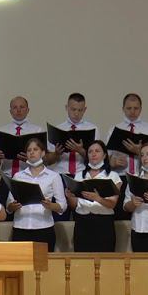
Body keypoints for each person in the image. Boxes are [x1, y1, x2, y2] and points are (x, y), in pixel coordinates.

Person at [106, 93, 148, 220]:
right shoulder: (114, 129)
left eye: (136, 108)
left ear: (141, 109)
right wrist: (112, 162)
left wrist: (139, 151)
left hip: (143, 177)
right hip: (120, 177)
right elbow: (105, 158)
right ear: (123, 109)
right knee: (120, 217)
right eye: (129, 108)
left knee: (143, 214)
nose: (132, 111)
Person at [46, 93, 100, 221]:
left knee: (82, 214)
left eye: (80, 110)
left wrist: (80, 150)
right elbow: (47, 161)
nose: (76, 113)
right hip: (60, 176)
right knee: (59, 215)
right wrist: (56, 153)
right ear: (66, 108)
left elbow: (98, 160)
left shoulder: (92, 129)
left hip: (82, 176)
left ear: (85, 109)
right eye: (73, 109)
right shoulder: (57, 129)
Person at [0, 96, 45, 221]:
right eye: (15, 107)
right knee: (3, 217)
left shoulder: (38, 131)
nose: (18, 110)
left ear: (28, 110)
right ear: (10, 111)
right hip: (7, 179)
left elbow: (44, 160)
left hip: (29, 179)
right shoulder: (1, 131)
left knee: (28, 216)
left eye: (22, 107)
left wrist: (30, 160)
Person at [6, 138, 65, 252]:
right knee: (21, 262)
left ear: (42, 153)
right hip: (21, 228)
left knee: (44, 262)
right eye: (29, 150)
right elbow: (8, 206)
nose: (32, 152)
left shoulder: (53, 176)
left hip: (44, 228)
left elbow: (62, 206)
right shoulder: (18, 176)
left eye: (35, 149)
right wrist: (12, 206)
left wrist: (50, 205)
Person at [65, 140, 122, 252]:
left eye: (97, 151)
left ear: (104, 155)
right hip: (82, 222)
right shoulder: (79, 175)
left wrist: (97, 198)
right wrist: (69, 196)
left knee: (104, 259)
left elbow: (112, 204)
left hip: (103, 223)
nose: (93, 154)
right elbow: (74, 205)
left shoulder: (113, 176)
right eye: (90, 151)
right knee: (82, 259)